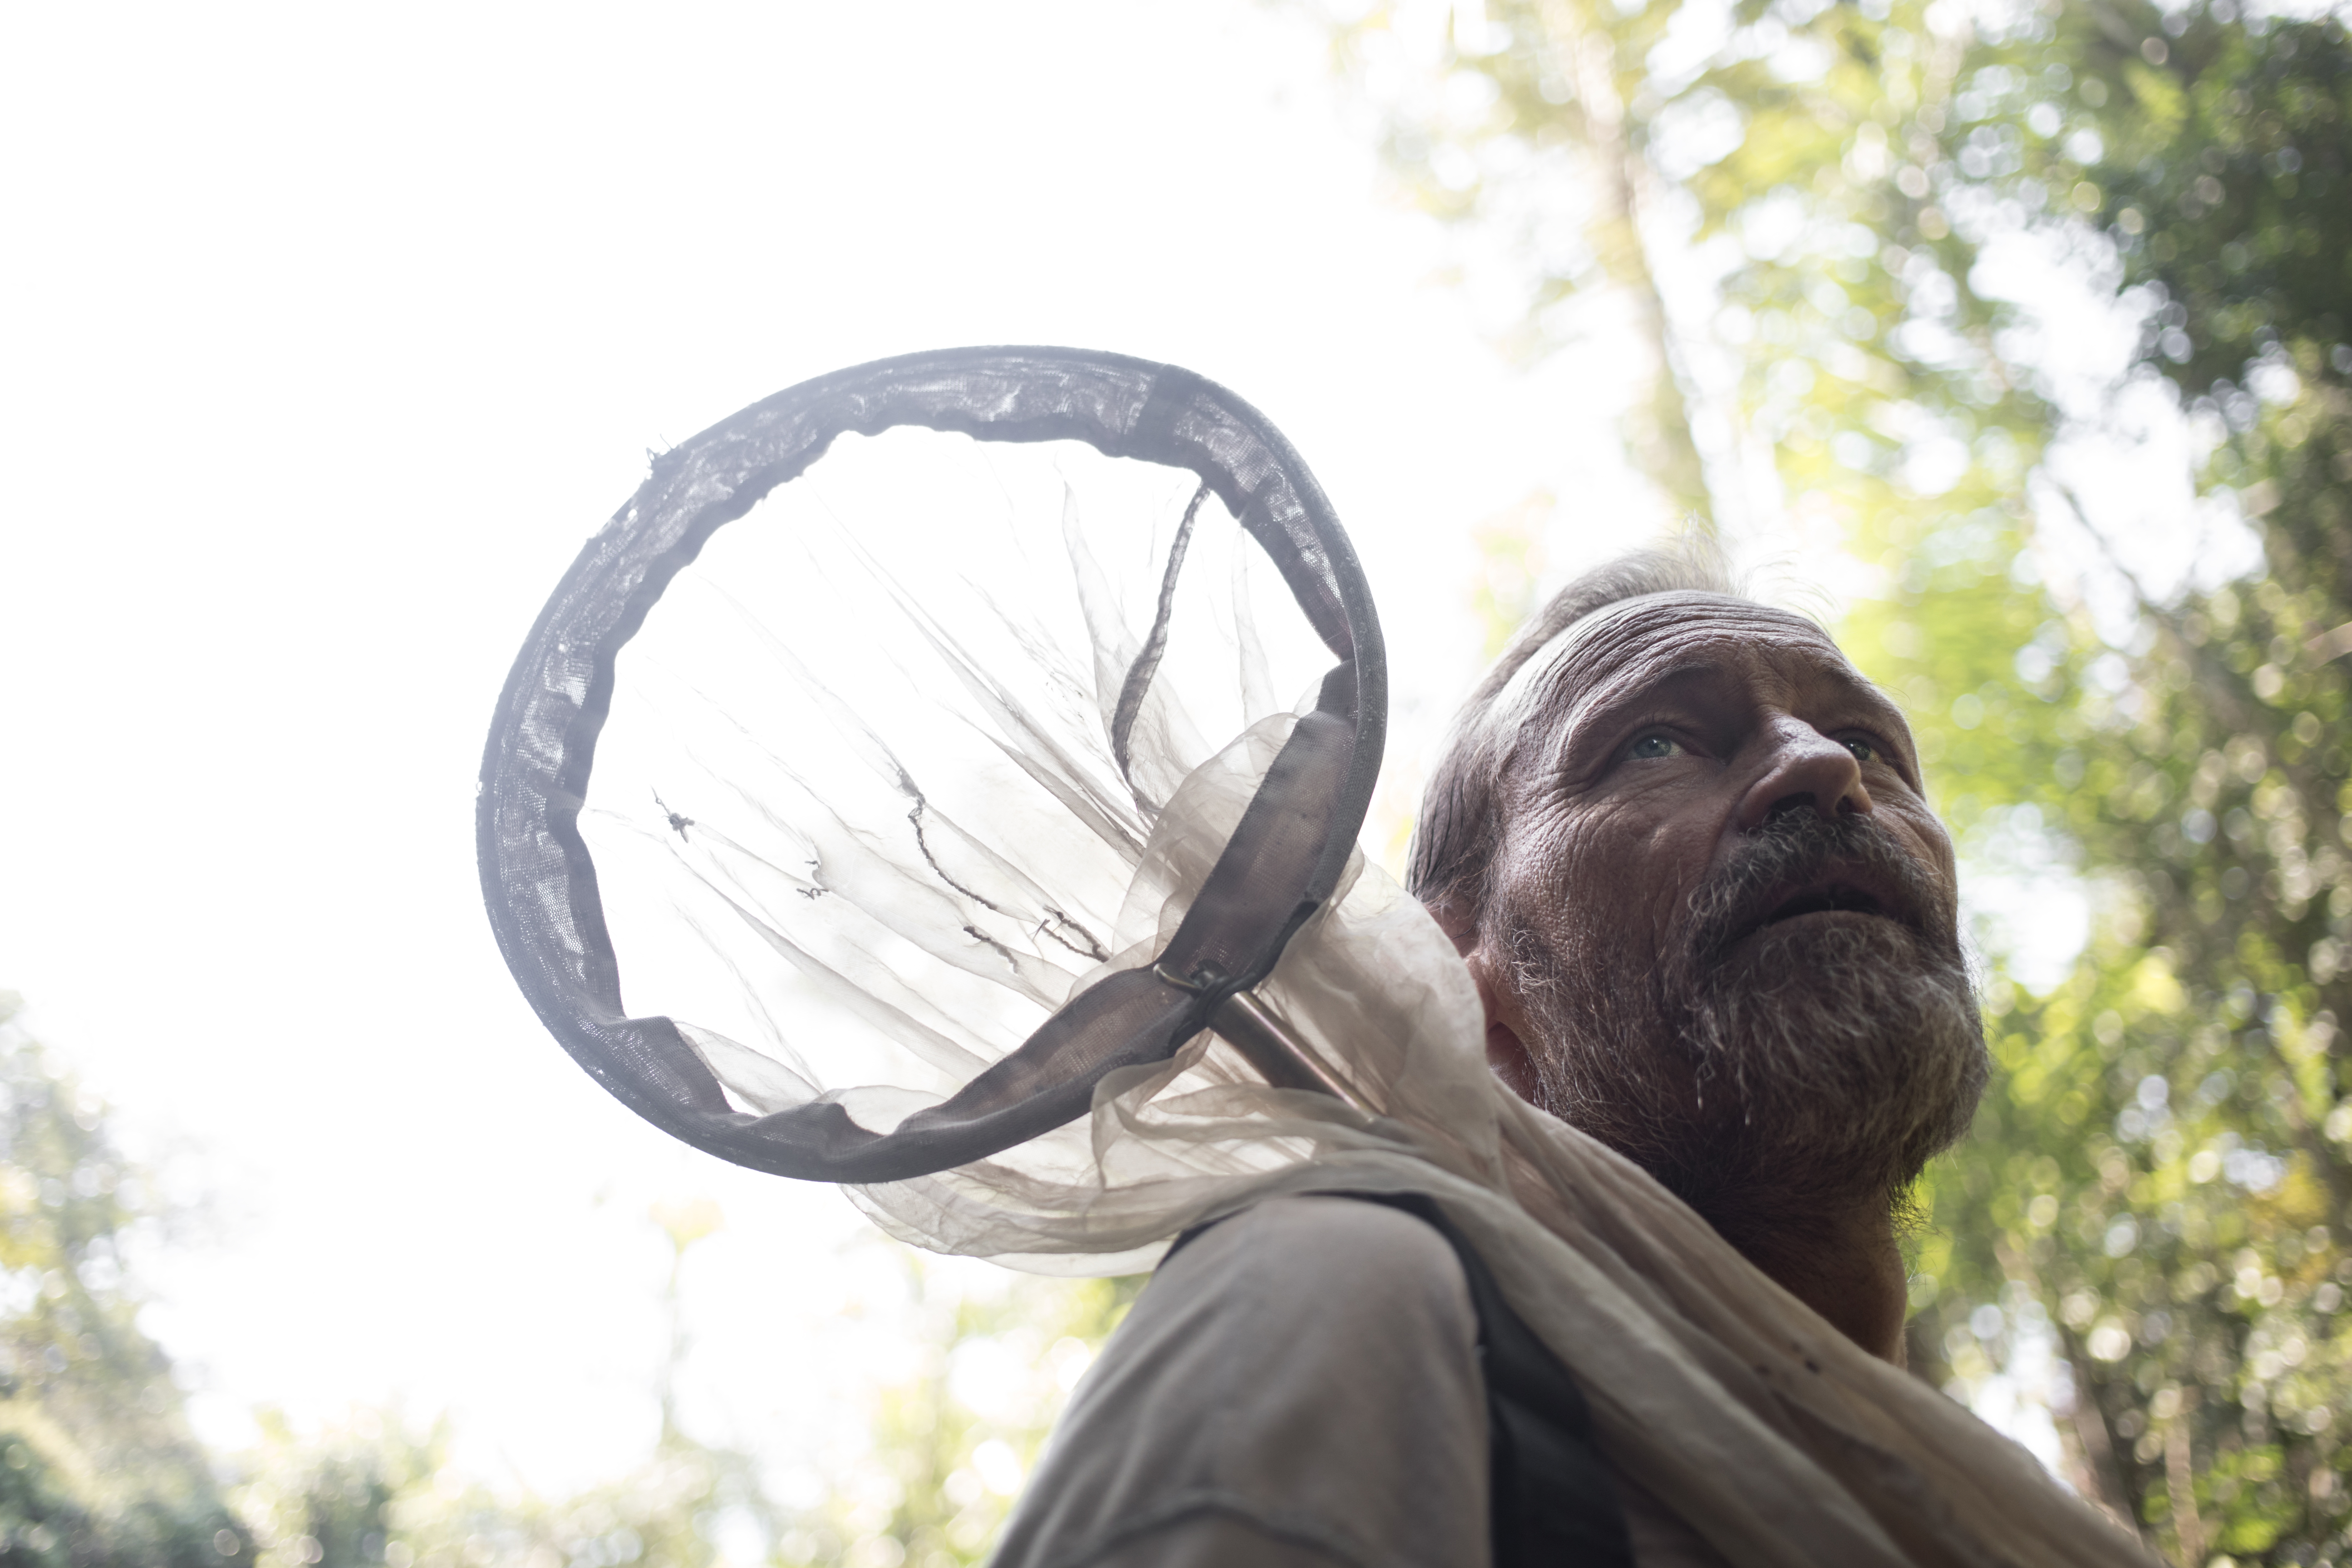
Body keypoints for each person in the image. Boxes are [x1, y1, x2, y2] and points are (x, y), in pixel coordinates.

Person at [989, 549, 2006, 1567]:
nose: (1819, 766)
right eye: (1653, 742)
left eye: (1867, 741)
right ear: (1461, 978)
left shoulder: (1997, 1513)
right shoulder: (1342, 1293)